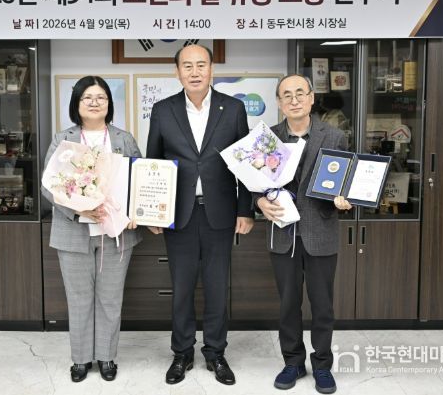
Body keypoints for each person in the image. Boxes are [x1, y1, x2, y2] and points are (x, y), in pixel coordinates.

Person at [146, 44, 254, 386]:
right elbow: (154, 163)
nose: (195, 72)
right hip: (179, 214)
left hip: (220, 213)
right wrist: (153, 213)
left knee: (218, 287)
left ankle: (216, 352)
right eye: (187, 66)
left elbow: (245, 164)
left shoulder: (233, 109)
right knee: (181, 287)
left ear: (211, 69)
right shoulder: (163, 110)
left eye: (201, 65)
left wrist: (246, 209)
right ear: (177, 71)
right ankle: (181, 353)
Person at [255, 74, 352, 394]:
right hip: (283, 231)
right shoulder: (267, 138)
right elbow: (252, 181)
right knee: (288, 304)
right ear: (279, 103)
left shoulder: (334, 136)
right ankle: (293, 362)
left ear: (311, 98)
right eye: (287, 95)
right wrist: (258, 202)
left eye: (300, 93)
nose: (294, 100)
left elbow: (345, 181)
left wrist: (345, 199)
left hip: (320, 231)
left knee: (322, 306)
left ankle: (322, 365)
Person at [41, 76, 142, 383]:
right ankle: (81, 359)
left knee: (110, 299)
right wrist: (78, 209)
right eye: (88, 97)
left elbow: (138, 178)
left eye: (101, 97)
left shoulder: (124, 138)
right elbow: (49, 184)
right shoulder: (63, 139)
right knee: (79, 299)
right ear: (77, 103)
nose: (95, 102)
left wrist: (136, 211)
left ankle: (107, 357)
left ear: (109, 103)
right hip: (74, 232)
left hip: (116, 233)